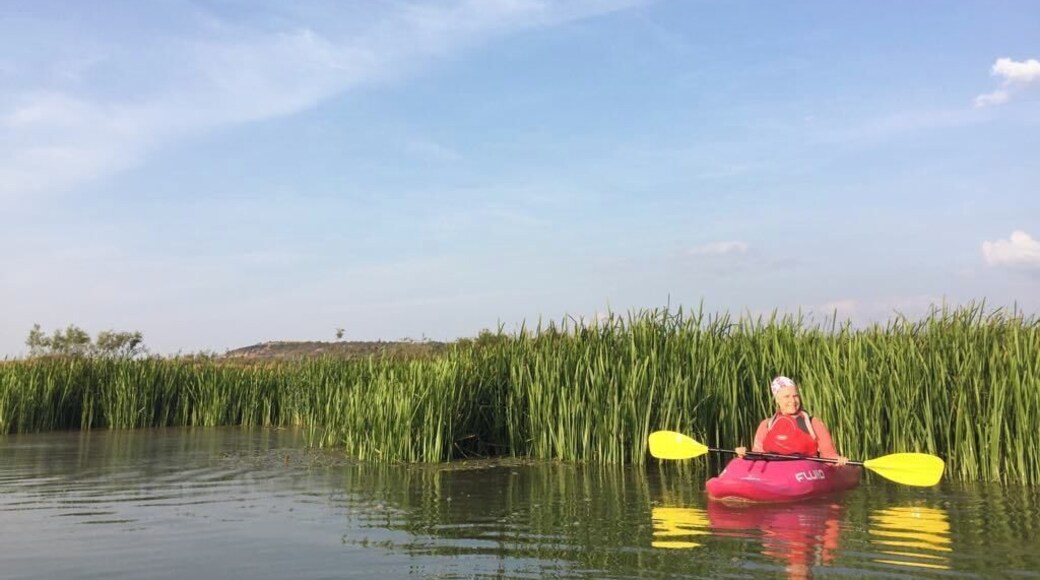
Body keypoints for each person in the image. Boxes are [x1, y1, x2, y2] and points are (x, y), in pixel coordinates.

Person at [735, 376, 849, 466]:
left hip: (805, 469)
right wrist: (744, 454)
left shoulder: (813, 423)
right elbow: (757, 455)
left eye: (795, 396)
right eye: (787, 396)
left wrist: (837, 461)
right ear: (777, 400)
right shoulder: (766, 425)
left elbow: (829, 455)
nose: (793, 401)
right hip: (774, 469)